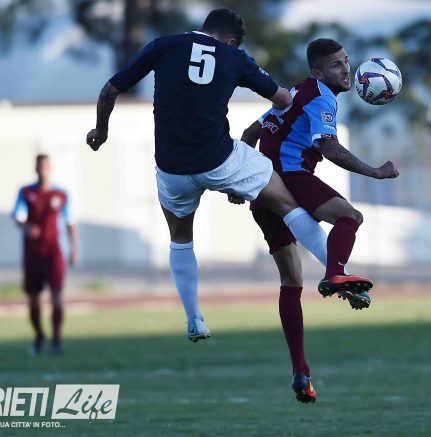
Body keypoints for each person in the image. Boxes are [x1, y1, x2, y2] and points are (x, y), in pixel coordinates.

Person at [85, 8, 371, 344]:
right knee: (285, 202)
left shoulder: (164, 45)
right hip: (221, 159)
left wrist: (101, 131)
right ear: (232, 41)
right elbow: (282, 99)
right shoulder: (234, 57)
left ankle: (194, 318)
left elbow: (109, 91)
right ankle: (336, 272)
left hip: (173, 167)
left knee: (180, 238)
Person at [231, 38, 399, 403]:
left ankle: (300, 371)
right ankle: (336, 274)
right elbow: (329, 148)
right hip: (291, 178)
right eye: (337, 65)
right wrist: (375, 172)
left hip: (262, 191)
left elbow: (249, 134)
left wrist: (238, 181)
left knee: (291, 281)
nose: (347, 70)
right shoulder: (321, 97)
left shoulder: (294, 92)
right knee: (350, 216)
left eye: (347, 61)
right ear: (318, 72)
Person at [12, 154, 78, 355]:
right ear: (36, 169)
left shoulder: (61, 194)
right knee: (33, 298)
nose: (43, 170)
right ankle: (39, 335)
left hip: (53, 253)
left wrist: (74, 249)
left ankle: (56, 340)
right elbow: (18, 216)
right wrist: (27, 227)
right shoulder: (26, 192)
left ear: (51, 168)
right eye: (40, 166)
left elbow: (70, 222)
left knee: (56, 295)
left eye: (46, 166)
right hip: (32, 253)